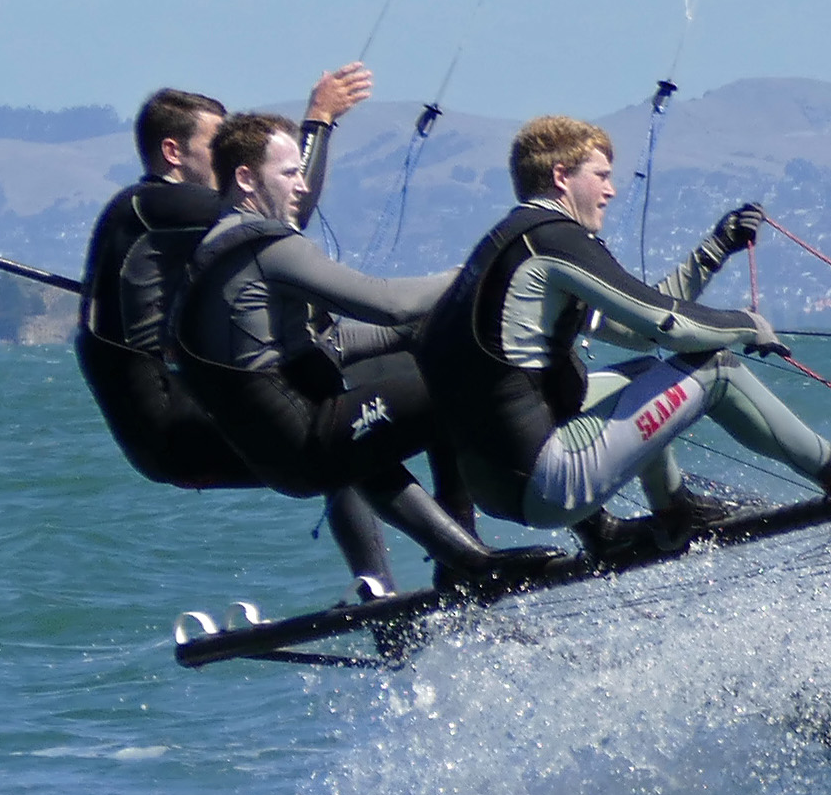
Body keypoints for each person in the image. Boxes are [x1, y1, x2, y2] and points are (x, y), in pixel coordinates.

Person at [419, 114, 831, 558]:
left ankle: (674, 512)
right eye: (601, 176)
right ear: (561, 176)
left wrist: (716, 247)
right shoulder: (554, 239)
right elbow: (667, 324)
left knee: (645, 373)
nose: (611, 191)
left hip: (498, 487)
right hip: (547, 480)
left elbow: (636, 330)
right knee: (717, 368)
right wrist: (746, 325)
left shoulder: (508, 246)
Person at [169, 113, 559, 596]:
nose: (302, 187)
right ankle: (535, 528)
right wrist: (481, 273)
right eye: (289, 174)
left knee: (369, 444)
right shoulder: (267, 247)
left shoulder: (211, 249)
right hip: (309, 439)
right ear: (246, 178)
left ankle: (467, 559)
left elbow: (318, 342)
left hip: (279, 454)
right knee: (459, 382)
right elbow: (387, 304)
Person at [74, 69, 401, 583]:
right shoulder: (158, 203)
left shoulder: (154, 221)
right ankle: (391, 588)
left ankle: (403, 578)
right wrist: (318, 121)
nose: (230, 157)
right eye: (216, 144)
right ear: (172, 152)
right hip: (175, 433)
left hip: (174, 425)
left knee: (352, 418)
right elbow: (284, 217)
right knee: (343, 434)